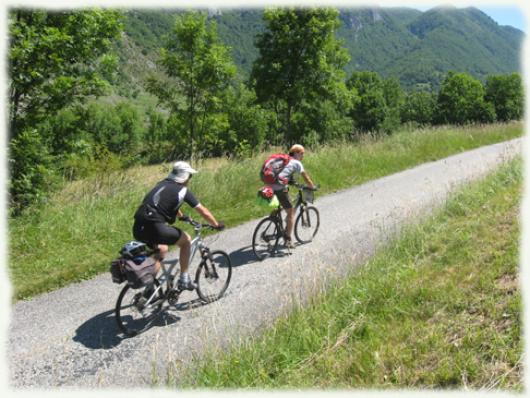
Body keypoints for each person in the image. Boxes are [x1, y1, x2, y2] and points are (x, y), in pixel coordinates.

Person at [132, 161, 224, 291]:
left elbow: (166, 203)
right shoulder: (183, 190)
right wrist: (216, 224)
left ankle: (149, 289)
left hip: (138, 226)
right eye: (190, 176)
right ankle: (184, 279)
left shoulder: (161, 184)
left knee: (161, 250)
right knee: (186, 241)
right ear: (185, 177)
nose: (189, 179)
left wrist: (181, 216)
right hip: (155, 226)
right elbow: (202, 210)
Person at [269, 144, 316, 248]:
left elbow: (285, 174)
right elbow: (306, 178)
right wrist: (312, 187)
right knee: (291, 213)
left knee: (284, 203)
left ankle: (273, 217)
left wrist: (292, 182)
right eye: (302, 154)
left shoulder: (285, 159)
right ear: (297, 153)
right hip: (279, 187)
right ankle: (288, 240)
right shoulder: (297, 163)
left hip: (269, 186)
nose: (303, 156)